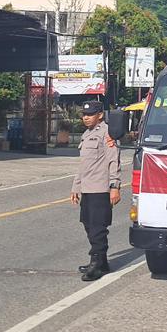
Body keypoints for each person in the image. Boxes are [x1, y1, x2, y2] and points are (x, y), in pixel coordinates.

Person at [70, 101, 120, 281]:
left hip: (101, 188)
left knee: (98, 227)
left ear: (100, 115)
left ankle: (96, 263)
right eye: (84, 114)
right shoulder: (86, 134)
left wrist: (114, 186)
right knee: (88, 224)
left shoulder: (107, 133)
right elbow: (83, 165)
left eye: (90, 114)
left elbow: (114, 160)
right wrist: (76, 186)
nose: (85, 117)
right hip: (87, 188)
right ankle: (102, 261)